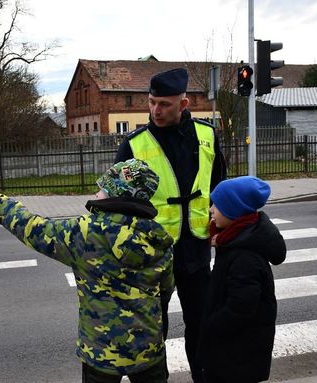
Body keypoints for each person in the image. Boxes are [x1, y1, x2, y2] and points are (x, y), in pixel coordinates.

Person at [0, 158, 174, 383]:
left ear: (117, 194)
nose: (96, 193)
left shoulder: (85, 232)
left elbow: (33, 228)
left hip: (101, 352)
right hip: (148, 349)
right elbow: (166, 291)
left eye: (103, 188)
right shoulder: (159, 237)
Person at [115, 67, 227, 382]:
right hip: (154, 256)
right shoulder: (135, 145)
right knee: (152, 331)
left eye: (163, 104)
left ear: (184, 103)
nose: (155, 110)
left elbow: (218, 184)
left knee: (202, 326)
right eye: (151, 102)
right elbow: (117, 199)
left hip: (196, 251)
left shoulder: (207, 135)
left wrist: (220, 223)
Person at [197, 176, 286, 383]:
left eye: (216, 205)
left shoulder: (245, 256)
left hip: (237, 356)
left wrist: (211, 326)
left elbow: (241, 308)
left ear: (233, 211)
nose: (210, 210)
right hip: (233, 351)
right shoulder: (233, 240)